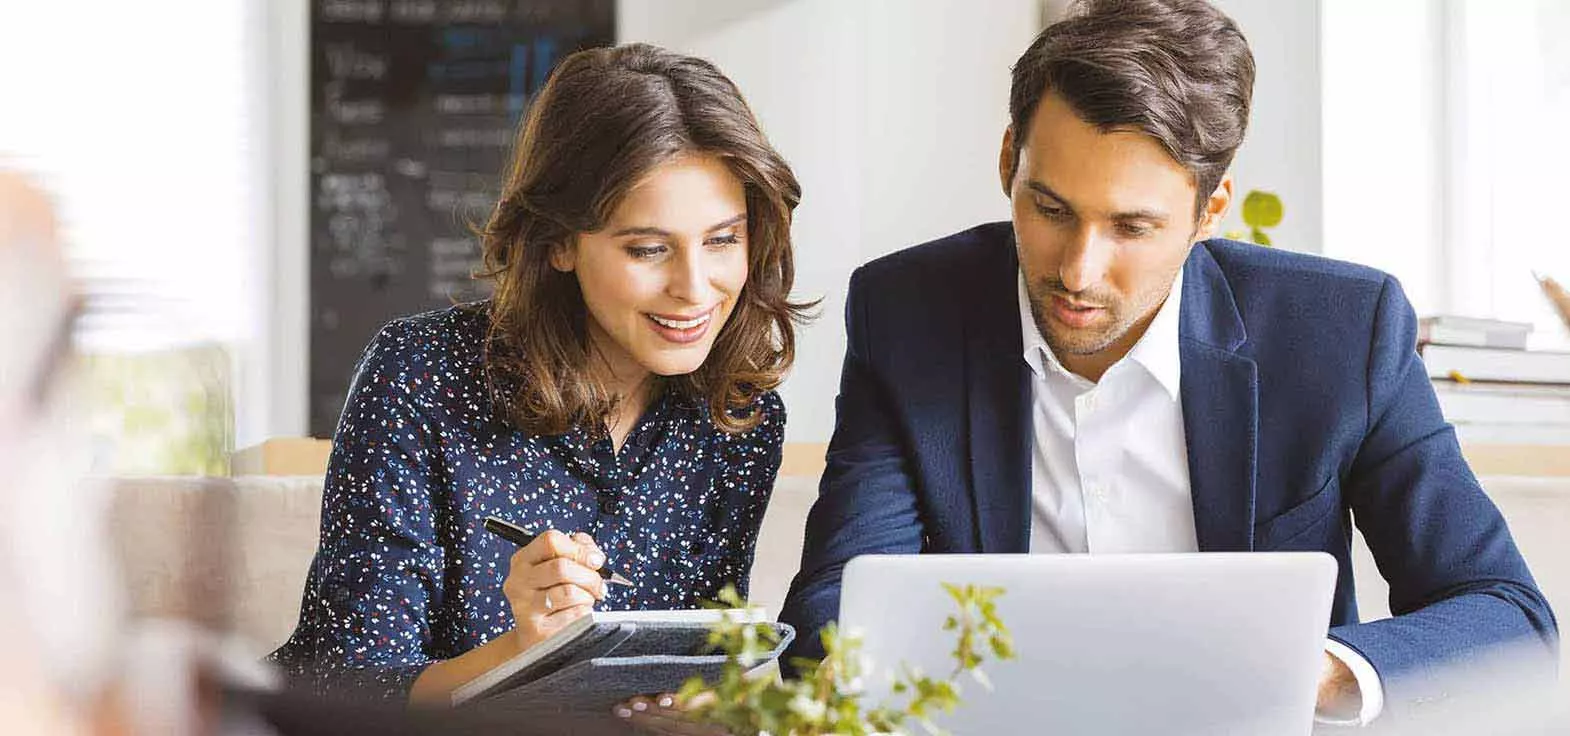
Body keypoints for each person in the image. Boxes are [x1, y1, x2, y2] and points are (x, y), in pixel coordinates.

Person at [779, 0, 1556, 726]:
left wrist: (1306, 670)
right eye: (1050, 209)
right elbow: (829, 616)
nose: (1079, 269)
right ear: (1010, 158)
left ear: (1209, 213)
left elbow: (1506, 615)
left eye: (1133, 226)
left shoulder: (1340, 334)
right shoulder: (908, 311)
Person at [270, 43, 812, 711]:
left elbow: (689, 671)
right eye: (648, 248)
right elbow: (346, 689)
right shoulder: (418, 376)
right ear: (557, 242)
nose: (695, 289)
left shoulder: (739, 418)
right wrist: (525, 649)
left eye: (724, 239)